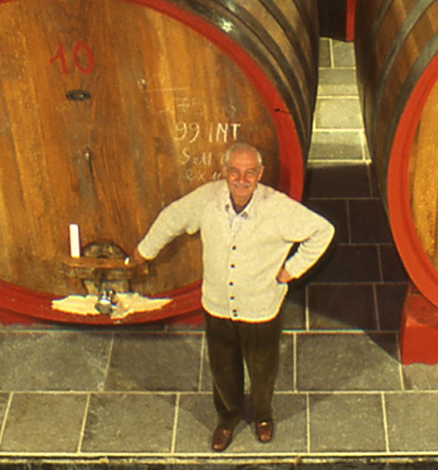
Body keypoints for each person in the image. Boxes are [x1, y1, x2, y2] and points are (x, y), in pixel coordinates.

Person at [134, 142, 334, 452]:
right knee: (223, 368)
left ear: (260, 174)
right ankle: (227, 418)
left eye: (250, 172)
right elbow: (172, 218)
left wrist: (291, 271)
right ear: (225, 171)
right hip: (217, 305)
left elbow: (323, 231)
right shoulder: (207, 199)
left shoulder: (278, 208)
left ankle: (263, 415)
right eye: (235, 172)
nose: (242, 179)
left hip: (260, 308)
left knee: (262, 369)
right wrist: (144, 251)